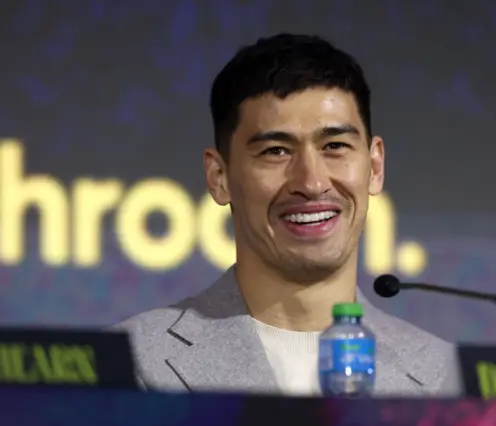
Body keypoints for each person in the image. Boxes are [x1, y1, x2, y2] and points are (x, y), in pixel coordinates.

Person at [115, 33, 461, 397]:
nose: (311, 183)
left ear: (375, 166)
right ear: (220, 178)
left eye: (335, 147)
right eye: (276, 151)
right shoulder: (132, 369)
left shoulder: (447, 382)